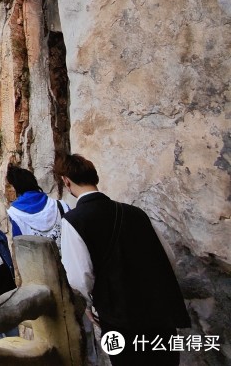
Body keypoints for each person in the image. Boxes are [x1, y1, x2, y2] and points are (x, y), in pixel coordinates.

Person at [55, 154, 190, 365]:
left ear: (66, 180)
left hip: (119, 317)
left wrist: (91, 305)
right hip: (159, 314)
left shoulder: (74, 221)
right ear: (95, 177)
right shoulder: (136, 213)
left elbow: (80, 278)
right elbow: (168, 259)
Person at [6, 165, 68, 242]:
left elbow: (20, 245)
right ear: (34, 183)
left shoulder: (14, 213)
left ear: (16, 188)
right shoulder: (61, 206)